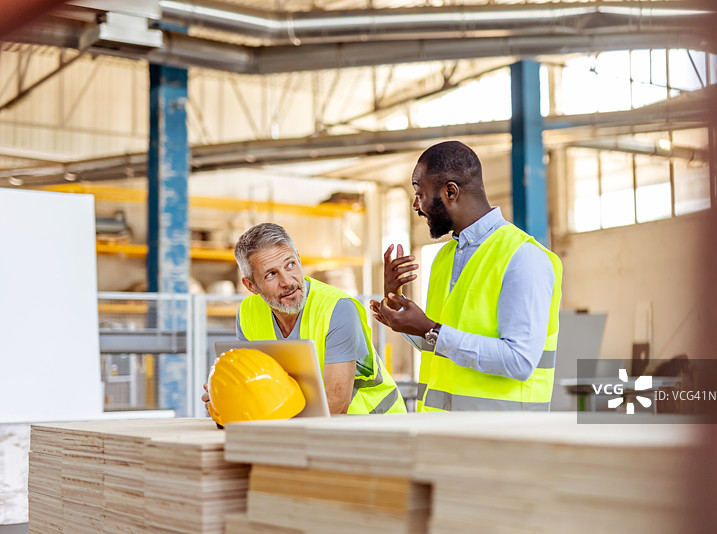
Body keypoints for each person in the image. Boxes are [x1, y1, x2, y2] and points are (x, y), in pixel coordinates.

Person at [369, 140, 563, 412]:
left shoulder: (523, 258)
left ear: (450, 191)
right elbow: (440, 345)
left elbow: (519, 360)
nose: (416, 204)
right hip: (444, 437)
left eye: (419, 191)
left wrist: (429, 329)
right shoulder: (445, 257)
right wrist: (395, 302)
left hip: (504, 441)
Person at [202, 223, 405, 415]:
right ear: (250, 286)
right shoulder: (248, 313)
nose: (287, 282)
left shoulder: (338, 308)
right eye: (271, 274)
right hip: (314, 430)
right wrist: (227, 399)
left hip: (377, 426)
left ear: (299, 259)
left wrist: (255, 408)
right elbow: (254, 384)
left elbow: (335, 403)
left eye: (290, 265)